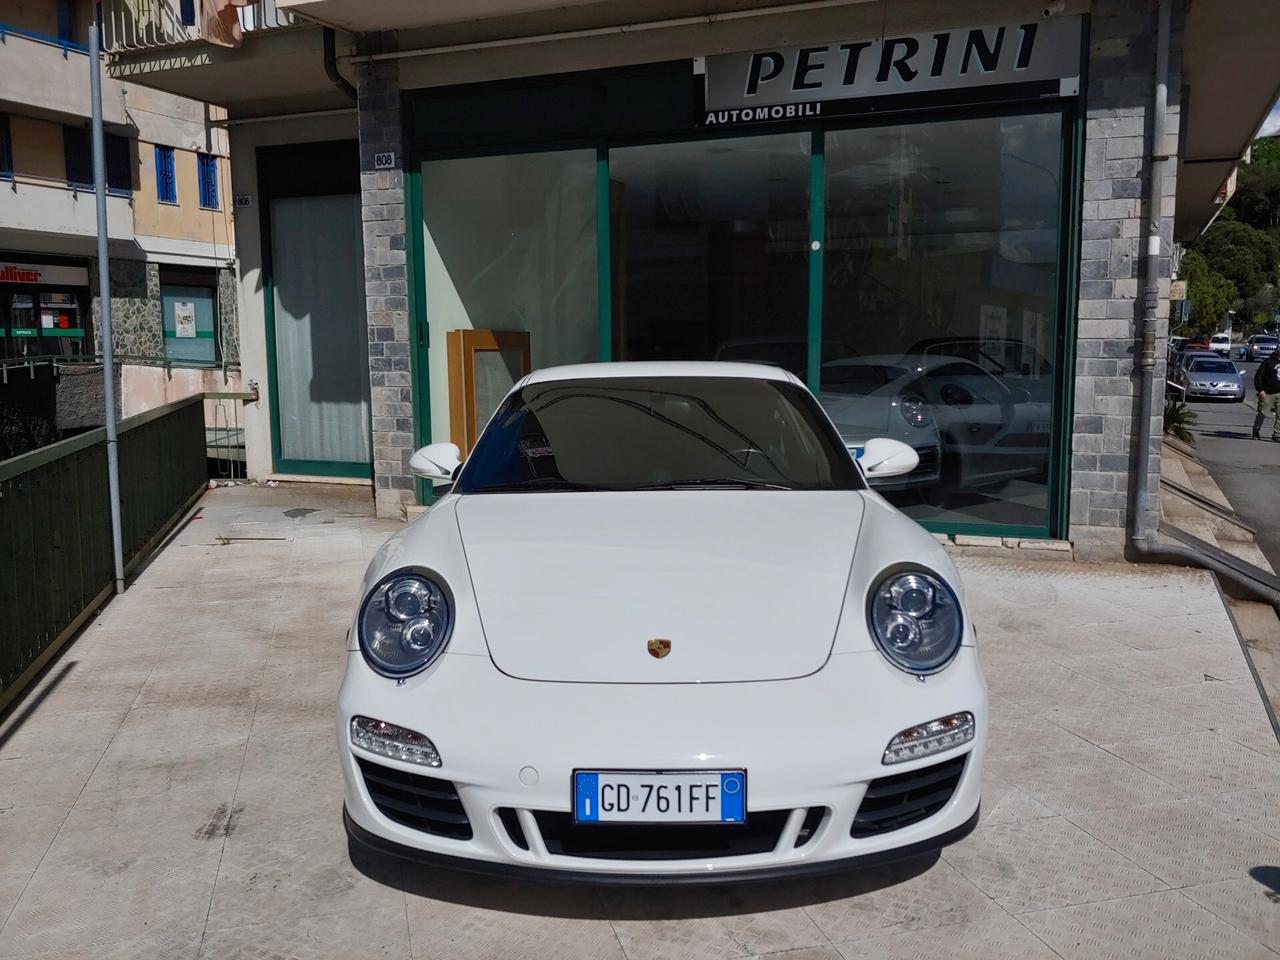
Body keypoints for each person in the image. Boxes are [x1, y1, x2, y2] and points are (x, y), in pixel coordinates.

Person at [1253, 350, 1280, 440]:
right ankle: (1256, 430)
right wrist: (1260, 390)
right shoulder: (1268, 362)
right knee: (1263, 413)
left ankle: (1277, 435)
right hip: (1268, 392)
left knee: (1279, 415)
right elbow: (1259, 376)